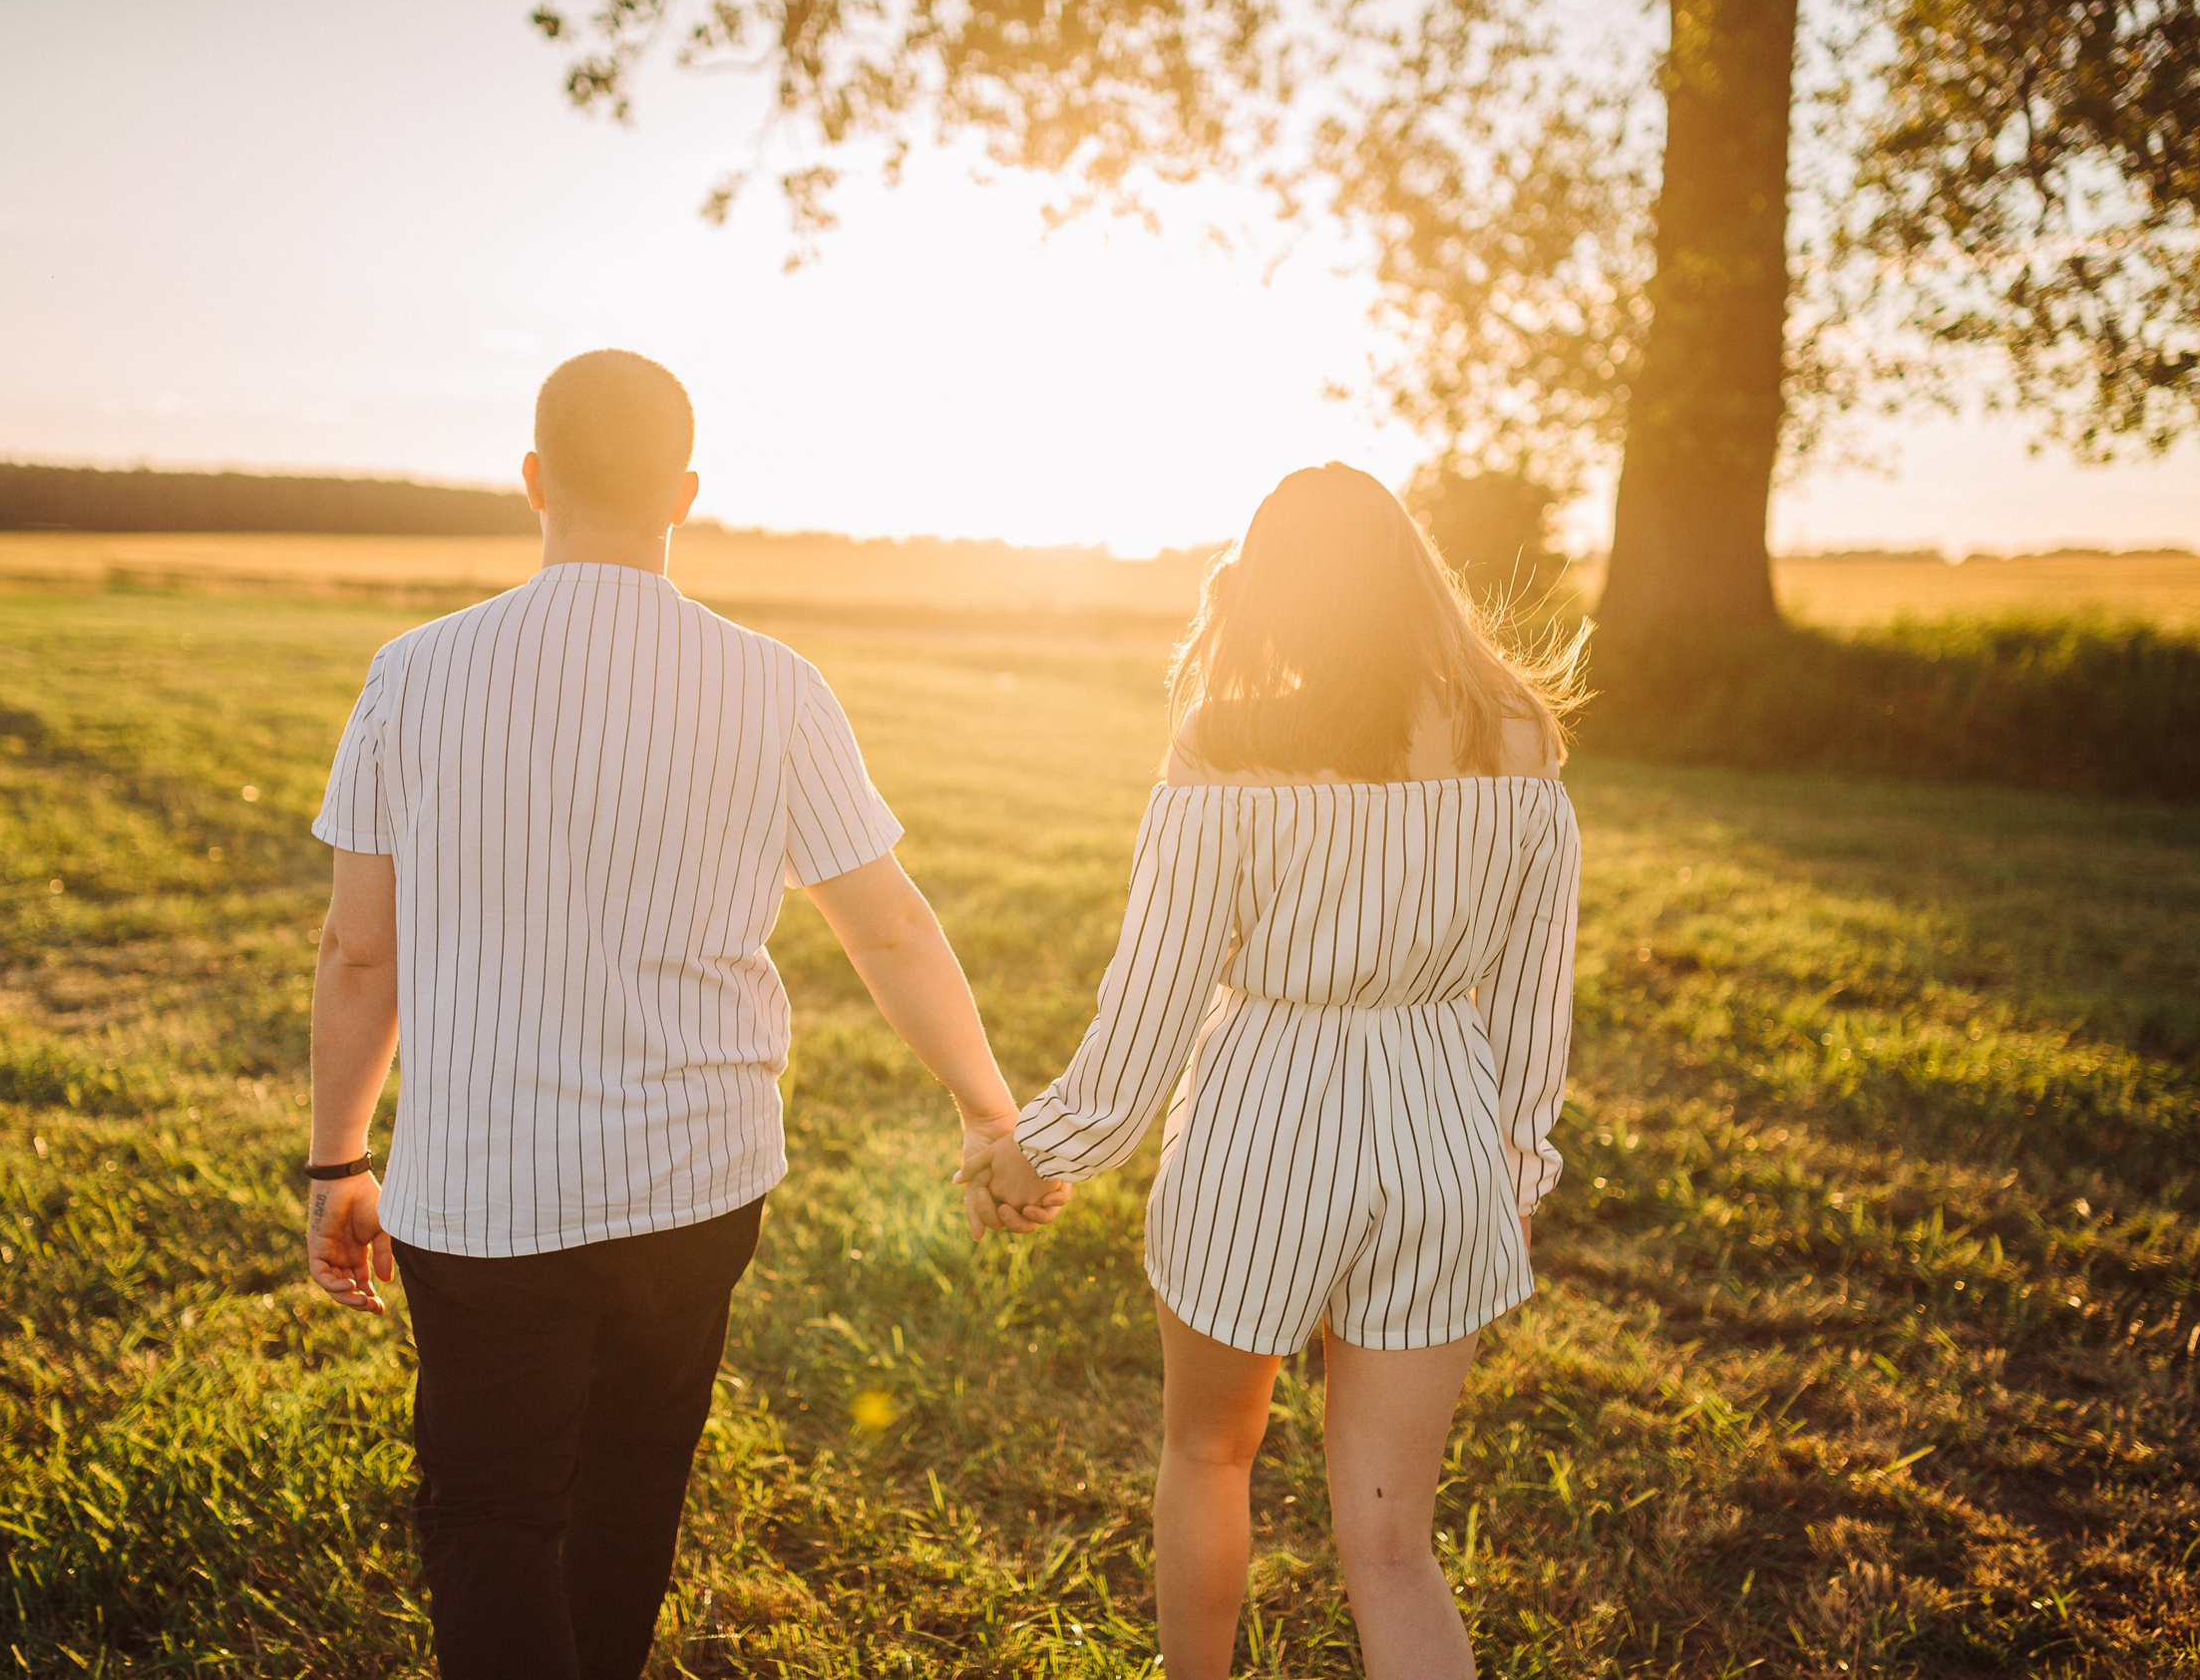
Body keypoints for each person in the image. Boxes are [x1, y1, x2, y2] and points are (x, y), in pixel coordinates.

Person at [299, 348, 1061, 1680]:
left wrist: (337, 1159)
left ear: (532, 479)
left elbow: (363, 952)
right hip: (696, 1185)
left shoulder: (412, 674)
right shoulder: (775, 686)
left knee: (490, 1515)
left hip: (479, 1194)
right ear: (686, 494)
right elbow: (888, 923)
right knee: (634, 1481)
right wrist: (987, 1104)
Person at [963, 463, 1587, 1680]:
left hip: (1260, 1128)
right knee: (1396, 1545)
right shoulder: (1517, 737)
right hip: (1441, 1137)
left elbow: (1147, 1009)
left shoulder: (1227, 745)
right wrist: (1514, 1165)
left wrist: (1032, 1152)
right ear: (1412, 574)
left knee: (1209, 1453)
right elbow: (1532, 1001)